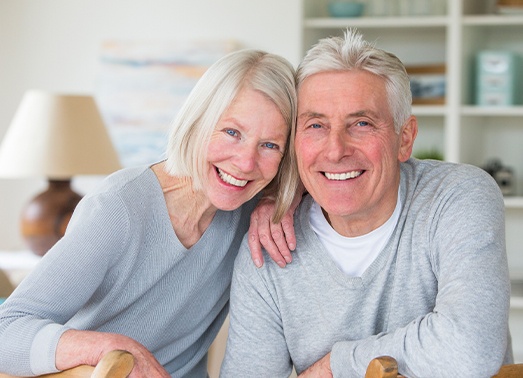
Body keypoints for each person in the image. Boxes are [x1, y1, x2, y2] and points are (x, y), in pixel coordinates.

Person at [221, 29, 512, 377]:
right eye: (315, 125)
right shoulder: (269, 245)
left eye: (361, 123)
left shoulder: (457, 197)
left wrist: (336, 365)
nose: (335, 149)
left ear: (404, 139)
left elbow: (470, 349)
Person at [0, 49, 298, 378]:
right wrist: (107, 347)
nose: (245, 163)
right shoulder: (117, 209)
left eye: (270, 145)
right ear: (198, 121)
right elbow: (6, 332)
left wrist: (284, 197)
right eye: (232, 132)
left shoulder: (251, 211)